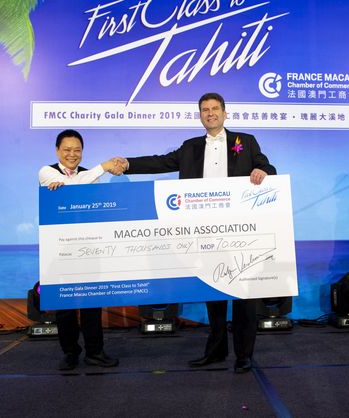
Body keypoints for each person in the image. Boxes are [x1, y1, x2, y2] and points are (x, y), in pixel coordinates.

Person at [115, 93, 276, 374]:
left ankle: (244, 355)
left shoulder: (246, 142)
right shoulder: (190, 147)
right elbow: (161, 162)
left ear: (225, 113)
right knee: (213, 294)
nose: (210, 113)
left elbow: (268, 166)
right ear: (200, 115)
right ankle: (215, 351)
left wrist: (262, 171)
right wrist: (128, 164)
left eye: (215, 109)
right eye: (204, 110)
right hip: (204, 232)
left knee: (244, 298)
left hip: (240, 232)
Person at [39, 129, 123, 371]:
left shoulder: (89, 176)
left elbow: (85, 198)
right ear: (57, 150)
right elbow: (73, 189)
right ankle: (70, 353)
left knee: (91, 303)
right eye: (67, 149)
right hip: (59, 251)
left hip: (88, 248)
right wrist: (104, 166)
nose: (72, 154)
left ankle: (95, 352)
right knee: (64, 307)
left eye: (77, 150)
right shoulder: (46, 172)